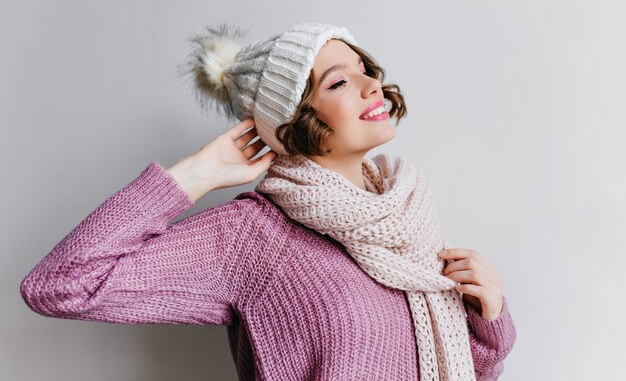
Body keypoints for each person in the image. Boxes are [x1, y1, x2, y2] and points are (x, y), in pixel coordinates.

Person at [20, 22, 516, 381]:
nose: (372, 84)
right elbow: (61, 285)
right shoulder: (255, 235)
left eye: (366, 69)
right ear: (292, 120)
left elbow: (464, 373)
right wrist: (196, 174)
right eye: (340, 82)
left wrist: (489, 321)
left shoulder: (407, 218)